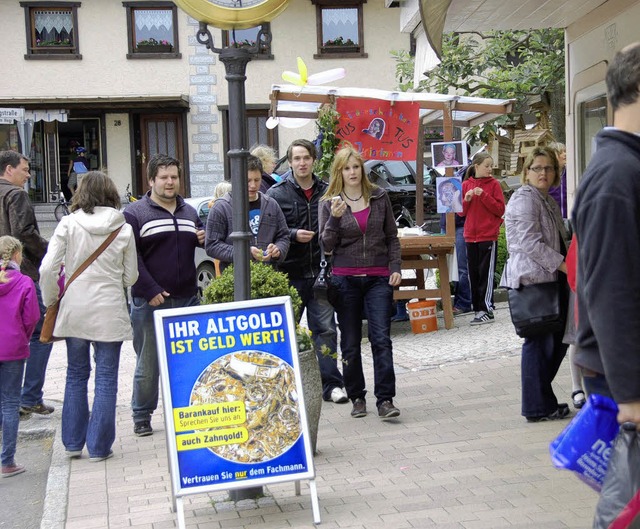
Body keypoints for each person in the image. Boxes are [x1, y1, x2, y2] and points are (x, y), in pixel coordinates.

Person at [39, 172, 138, 461]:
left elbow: (47, 269)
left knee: (76, 374)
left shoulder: (68, 223)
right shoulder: (123, 228)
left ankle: (71, 443)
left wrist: (51, 300)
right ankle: (99, 447)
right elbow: (131, 277)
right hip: (109, 308)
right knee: (106, 378)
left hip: (75, 307)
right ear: (111, 193)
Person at [573, 42, 640, 425]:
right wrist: (630, 394)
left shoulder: (626, 165)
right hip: (625, 384)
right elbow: (610, 289)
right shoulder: (616, 175)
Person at [124, 153, 205, 437]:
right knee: (149, 362)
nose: (170, 182)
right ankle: (141, 415)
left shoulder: (190, 212)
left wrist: (201, 237)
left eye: (174, 177)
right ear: (150, 181)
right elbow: (130, 257)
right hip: (150, 301)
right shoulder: (135, 214)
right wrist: (149, 289)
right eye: (164, 177)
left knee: (188, 360)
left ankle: (186, 412)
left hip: (187, 297)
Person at [319, 146, 402, 419]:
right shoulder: (329, 202)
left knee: (381, 339)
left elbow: (392, 236)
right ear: (339, 172)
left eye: (356, 167)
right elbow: (326, 245)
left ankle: (385, 400)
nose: (352, 172)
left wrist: (396, 267)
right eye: (347, 168)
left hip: (378, 277)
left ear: (362, 169)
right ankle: (356, 396)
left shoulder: (379, 196)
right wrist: (335, 216)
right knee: (351, 343)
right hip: (345, 280)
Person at [266, 139, 348, 404]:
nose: (301, 163)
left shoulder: (328, 190)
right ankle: (283, 389)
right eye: (296, 158)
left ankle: (332, 385)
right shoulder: (277, 193)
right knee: (285, 332)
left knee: (325, 329)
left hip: (321, 272)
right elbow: (270, 232)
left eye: (306, 158)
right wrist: (291, 234)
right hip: (290, 272)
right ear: (289, 162)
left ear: (313, 160)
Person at [500, 146, 570, 422]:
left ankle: (542, 402)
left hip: (548, 278)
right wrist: (564, 265)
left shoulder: (545, 200)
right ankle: (535, 406)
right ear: (526, 172)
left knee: (556, 339)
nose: (543, 173)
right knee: (538, 341)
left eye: (548, 168)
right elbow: (529, 242)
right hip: (532, 280)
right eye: (537, 168)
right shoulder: (525, 198)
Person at [0, 150, 55, 418]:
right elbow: (23, 232)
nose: (29, 174)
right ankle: (30, 397)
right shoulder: (15, 194)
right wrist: (48, 250)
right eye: (24, 168)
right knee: (41, 332)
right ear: (9, 170)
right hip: (20, 274)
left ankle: (7, 401)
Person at [205, 155, 289, 272]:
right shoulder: (221, 207)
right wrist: (244, 253)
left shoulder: (271, 204)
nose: (253, 185)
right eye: (247, 180)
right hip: (234, 280)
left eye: (257, 180)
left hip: (267, 279)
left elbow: (284, 236)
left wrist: (278, 249)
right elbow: (211, 245)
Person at [0, 236, 40, 478]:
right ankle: (7, 461)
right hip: (13, 348)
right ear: (17, 255)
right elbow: (32, 317)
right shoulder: (24, 282)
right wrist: (21, 336)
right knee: (10, 403)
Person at [458, 152, 505, 325]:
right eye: (487, 165)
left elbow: (500, 209)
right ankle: (478, 309)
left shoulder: (494, 185)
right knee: (474, 274)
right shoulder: (465, 185)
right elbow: (461, 212)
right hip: (470, 236)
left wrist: (483, 195)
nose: (490, 169)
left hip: (488, 235)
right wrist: (467, 199)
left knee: (486, 273)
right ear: (476, 166)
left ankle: (486, 308)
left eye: (491, 165)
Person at [548, 142, 567, 218]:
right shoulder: (546, 177)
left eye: (565, 151)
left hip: (569, 221)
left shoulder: (570, 174)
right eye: (561, 152)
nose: (565, 154)